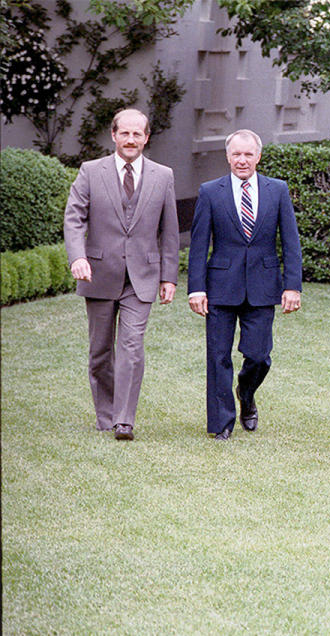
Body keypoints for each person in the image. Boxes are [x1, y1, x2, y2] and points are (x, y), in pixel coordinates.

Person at [63, 108, 179, 441]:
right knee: (100, 351)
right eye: (124, 133)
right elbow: (74, 219)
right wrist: (78, 257)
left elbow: (169, 230)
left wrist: (168, 277)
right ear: (114, 135)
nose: (131, 140)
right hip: (98, 273)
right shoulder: (90, 171)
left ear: (146, 138)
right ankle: (106, 415)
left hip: (141, 276)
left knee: (132, 345)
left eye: (137, 134)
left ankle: (124, 420)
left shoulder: (163, 176)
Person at [187, 129, 303, 440]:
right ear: (227, 157)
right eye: (236, 154)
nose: (242, 160)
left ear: (258, 157)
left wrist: (293, 286)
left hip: (263, 286)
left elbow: (290, 241)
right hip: (221, 286)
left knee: (259, 354)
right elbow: (199, 245)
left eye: (248, 154)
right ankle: (221, 424)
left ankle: (246, 393)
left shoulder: (277, 190)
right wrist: (196, 288)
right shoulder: (211, 191)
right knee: (218, 355)